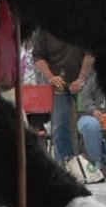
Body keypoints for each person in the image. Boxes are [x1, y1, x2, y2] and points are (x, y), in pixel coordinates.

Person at [30, 28, 93, 168]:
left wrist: (81, 79)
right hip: (58, 84)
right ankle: (65, 162)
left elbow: (90, 54)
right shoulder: (44, 29)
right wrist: (51, 77)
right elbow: (38, 57)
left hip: (86, 81)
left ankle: (95, 162)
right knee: (60, 124)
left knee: (89, 121)